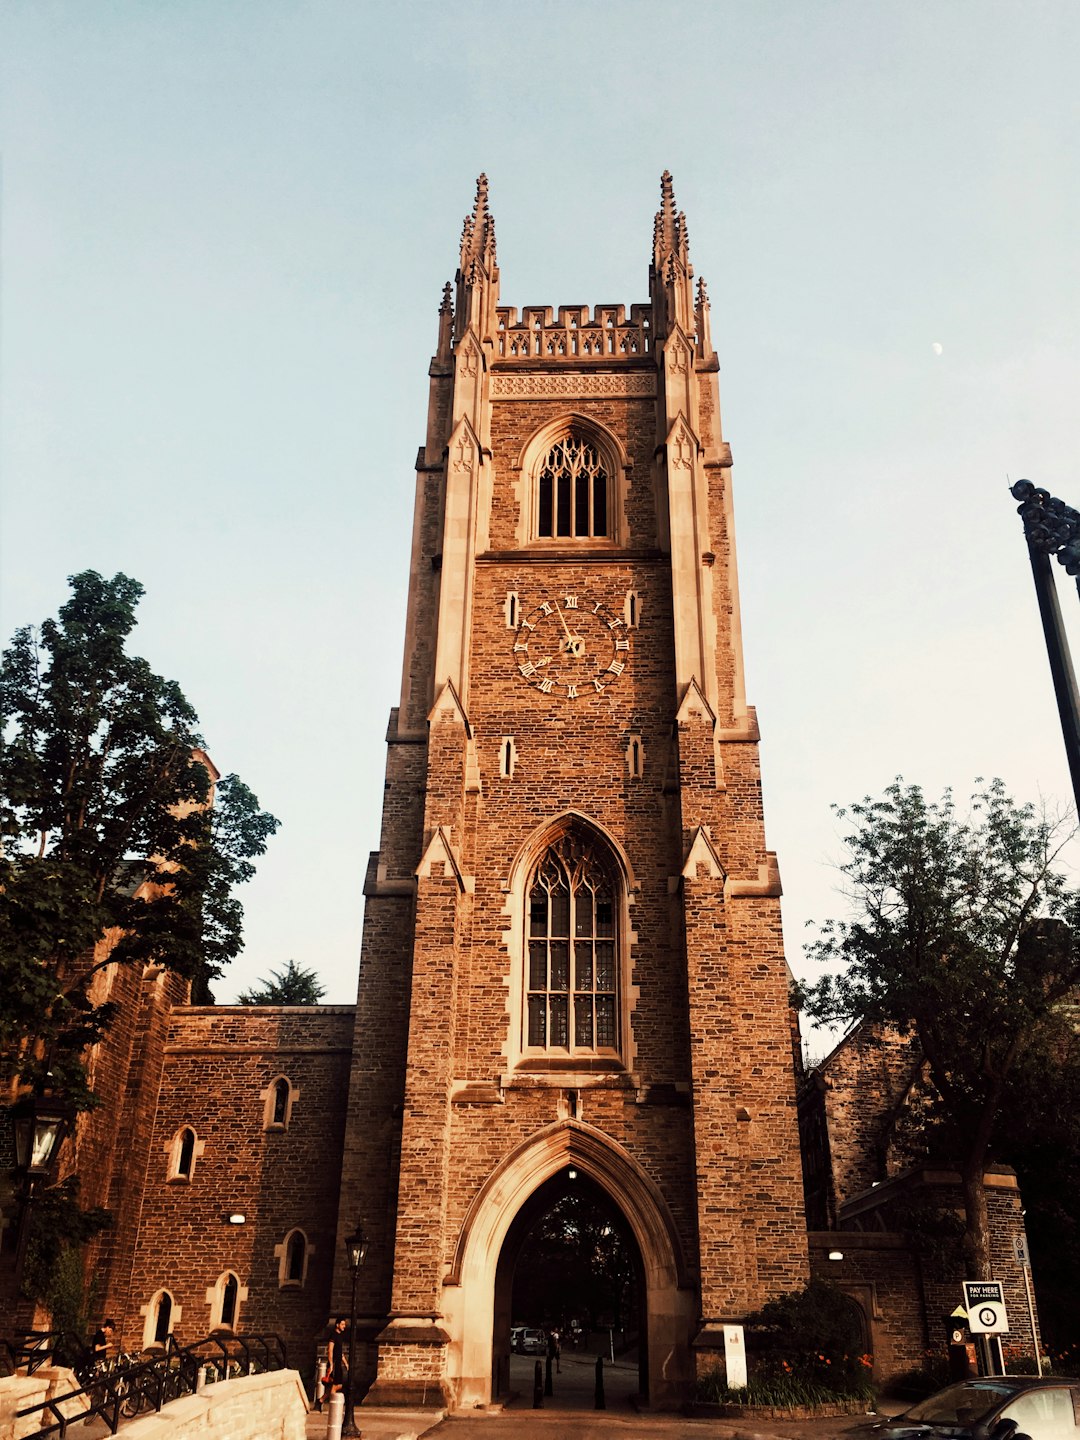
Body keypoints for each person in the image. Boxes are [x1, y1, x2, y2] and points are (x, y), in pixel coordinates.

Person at [327, 1317, 348, 1396]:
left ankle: (320, 1401)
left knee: (338, 1385)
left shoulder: (340, 1336)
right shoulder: (333, 1335)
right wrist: (331, 1364)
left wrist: (346, 1363)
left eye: (344, 1325)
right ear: (337, 1325)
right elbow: (330, 1350)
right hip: (334, 1363)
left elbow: (340, 1351)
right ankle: (332, 1406)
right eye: (342, 1324)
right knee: (336, 1385)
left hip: (338, 1363)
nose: (344, 1326)